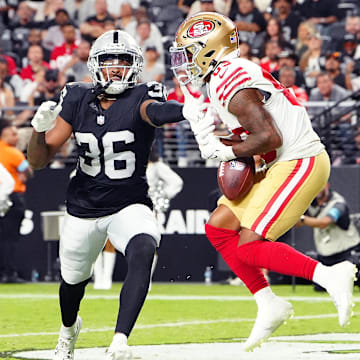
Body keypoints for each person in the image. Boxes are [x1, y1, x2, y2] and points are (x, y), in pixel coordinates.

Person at [170, 12, 357, 352]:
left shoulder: (229, 79)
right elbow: (258, 137)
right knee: (219, 228)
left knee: (250, 245)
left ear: (208, 49)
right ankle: (268, 302)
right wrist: (220, 143)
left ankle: (330, 274)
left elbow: (268, 136)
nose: (185, 62)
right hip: (279, 161)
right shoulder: (224, 76)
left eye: (189, 51)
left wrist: (224, 151)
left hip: (300, 160)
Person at [27, 29, 191, 360]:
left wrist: (189, 109)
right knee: (72, 286)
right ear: (94, 64)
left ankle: (119, 341)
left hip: (128, 203)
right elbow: (38, 161)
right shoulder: (76, 97)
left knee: (145, 246)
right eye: (109, 61)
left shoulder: (142, 95)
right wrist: (38, 129)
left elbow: (156, 113)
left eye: (124, 61)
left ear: (136, 65)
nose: (116, 68)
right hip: (82, 207)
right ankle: (68, 330)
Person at [296, 182, 360, 291]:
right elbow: (296, 222)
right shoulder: (311, 204)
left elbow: (324, 222)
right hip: (325, 258)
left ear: (327, 185)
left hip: (346, 254)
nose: (318, 190)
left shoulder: (338, 204)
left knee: (349, 279)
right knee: (320, 288)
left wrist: (302, 219)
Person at [0, 119, 32, 283]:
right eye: (13, 133)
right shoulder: (13, 153)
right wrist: (24, 175)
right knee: (10, 238)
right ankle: (9, 273)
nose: (17, 137)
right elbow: (27, 170)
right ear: (4, 134)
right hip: (11, 198)